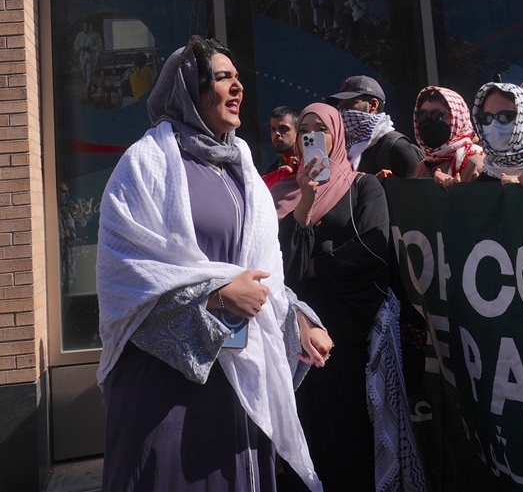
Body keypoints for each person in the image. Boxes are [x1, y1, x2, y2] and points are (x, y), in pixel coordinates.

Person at [96, 35, 331, 492]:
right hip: (168, 384)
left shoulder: (240, 162)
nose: (238, 87)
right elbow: (124, 274)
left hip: (237, 372)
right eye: (224, 78)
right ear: (190, 89)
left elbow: (262, 265)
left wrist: (293, 317)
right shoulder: (146, 163)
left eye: (238, 78)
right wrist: (217, 294)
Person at [276, 103, 421, 492]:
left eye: (320, 128)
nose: (311, 137)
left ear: (337, 136)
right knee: (306, 431)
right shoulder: (285, 193)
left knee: (348, 431)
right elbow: (282, 267)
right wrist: (304, 203)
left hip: (347, 330)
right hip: (297, 333)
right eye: (304, 129)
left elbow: (373, 251)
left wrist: (316, 267)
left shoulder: (362, 186)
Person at [326, 75, 423, 180]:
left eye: (350, 103)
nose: (343, 112)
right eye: (341, 107)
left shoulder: (396, 146)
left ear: (373, 104)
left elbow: (418, 191)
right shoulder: (345, 149)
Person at [412, 86, 484, 189]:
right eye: (422, 115)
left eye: (437, 115)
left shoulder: (474, 164)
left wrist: (455, 190)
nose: (428, 121)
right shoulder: (423, 166)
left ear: (457, 118)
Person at [262, 105, 299, 188]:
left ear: (298, 130)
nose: (277, 133)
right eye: (273, 129)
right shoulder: (269, 175)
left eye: (283, 128)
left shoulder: (312, 165)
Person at [74, 21, 103, 97]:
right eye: (85, 26)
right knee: (85, 73)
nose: (87, 28)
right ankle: (95, 84)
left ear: (91, 26)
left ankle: (89, 93)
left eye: (88, 26)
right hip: (83, 58)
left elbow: (99, 46)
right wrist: (80, 48)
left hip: (91, 58)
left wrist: (90, 48)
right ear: (83, 26)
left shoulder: (96, 35)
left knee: (89, 76)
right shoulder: (80, 35)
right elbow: (76, 45)